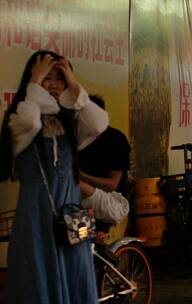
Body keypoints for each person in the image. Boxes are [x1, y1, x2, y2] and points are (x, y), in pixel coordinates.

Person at [0, 50, 108, 303]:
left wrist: (73, 85)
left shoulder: (71, 123)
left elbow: (99, 123)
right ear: (32, 80)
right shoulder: (19, 119)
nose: (53, 84)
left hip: (72, 217)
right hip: (36, 217)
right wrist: (34, 83)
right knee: (37, 277)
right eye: (47, 78)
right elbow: (31, 122)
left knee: (76, 273)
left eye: (59, 78)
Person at [79, 95, 130, 226]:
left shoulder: (116, 139)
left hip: (112, 200)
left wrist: (82, 176)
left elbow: (112, 184)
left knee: (71, 182)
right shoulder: (79, 139)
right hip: (83, 196)